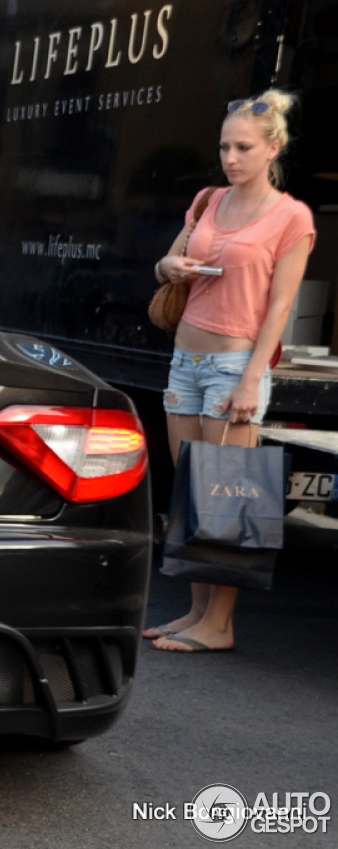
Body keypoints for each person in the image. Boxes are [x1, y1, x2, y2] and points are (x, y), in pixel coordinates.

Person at [146, 89, 315, 653]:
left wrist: (251, 379)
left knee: (228, 495)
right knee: (195, 493)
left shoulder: (292, 217)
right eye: (224, 146)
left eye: (243, 147)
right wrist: (170, 265)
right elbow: (168, 262)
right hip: (186, 361)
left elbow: (281, 309)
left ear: (274, 148)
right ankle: (195, 614)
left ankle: (219, 626)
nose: (231, 158)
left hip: (234, 365)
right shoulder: (207, 200)